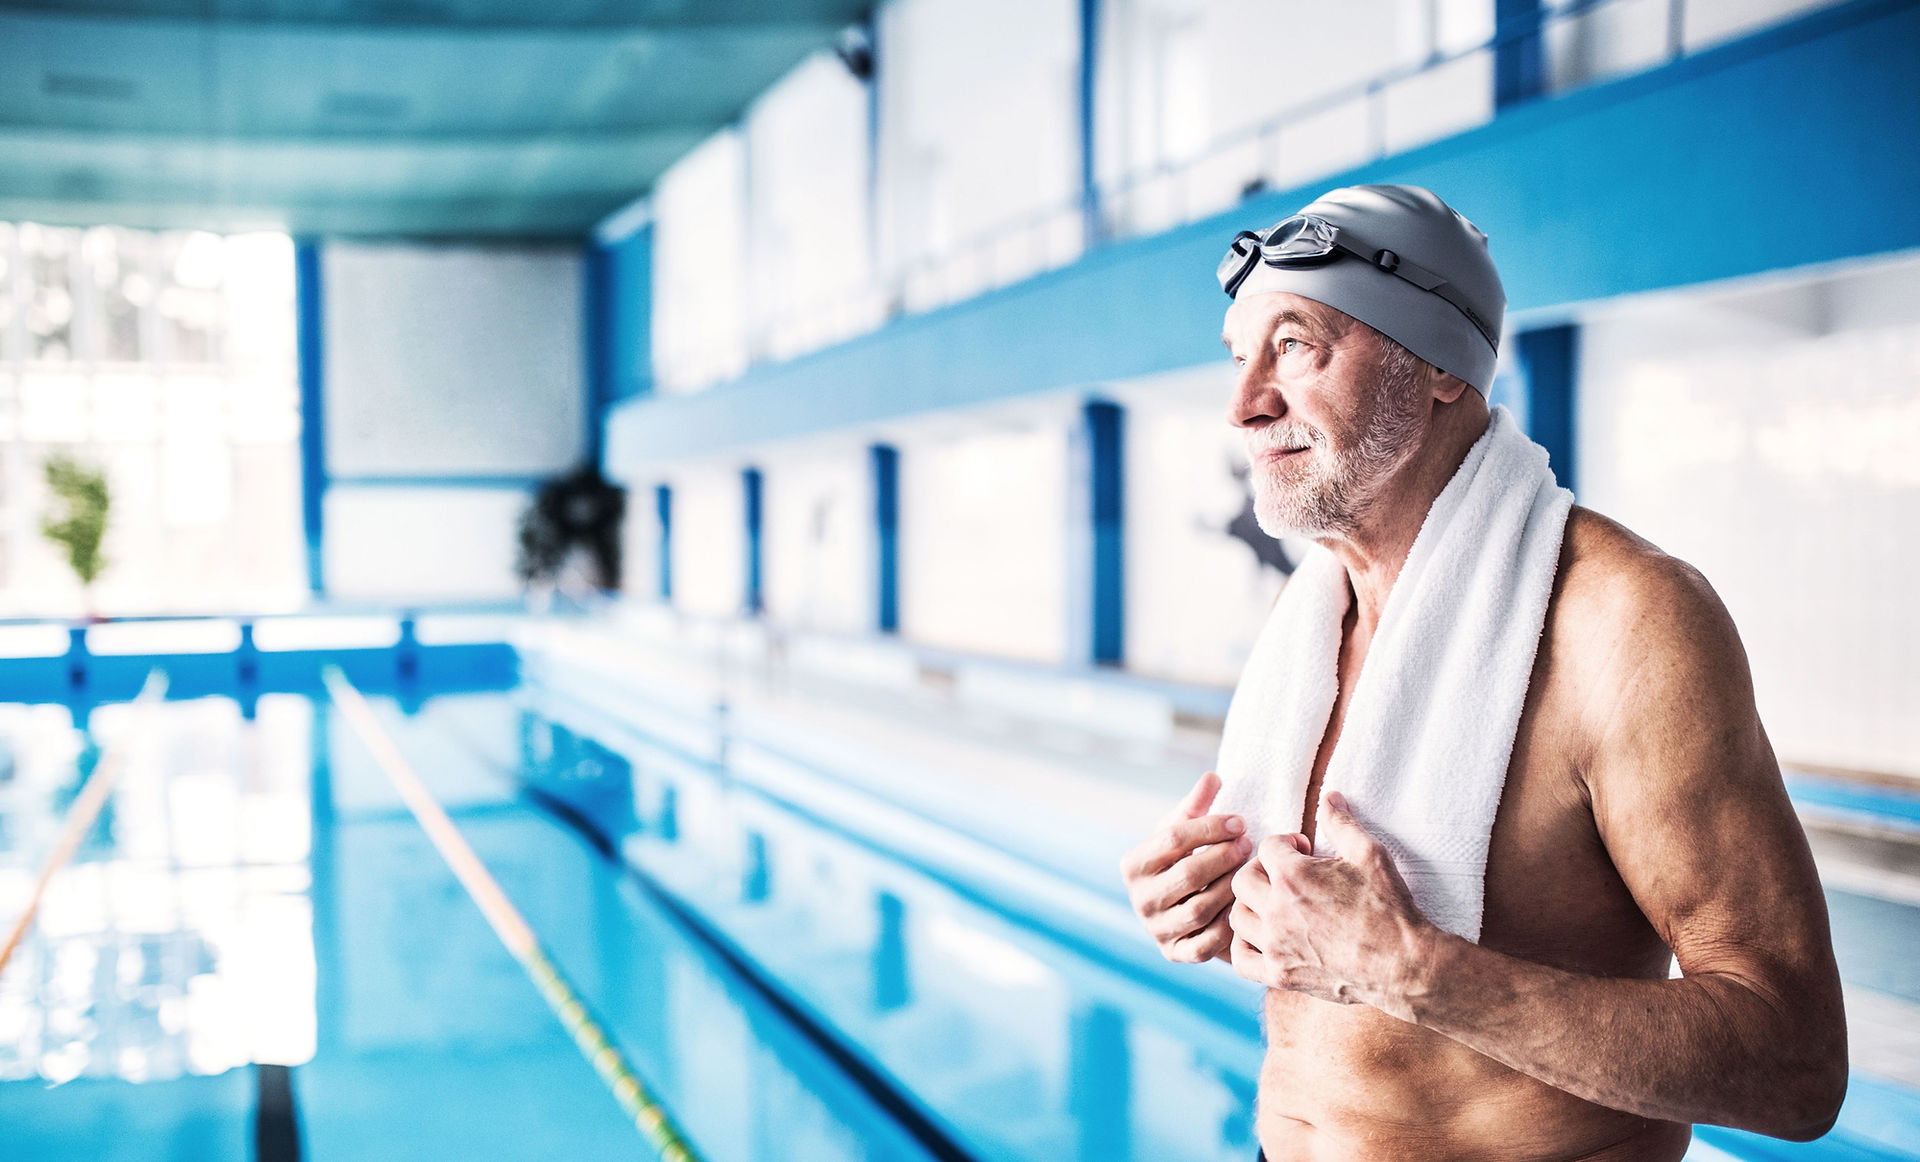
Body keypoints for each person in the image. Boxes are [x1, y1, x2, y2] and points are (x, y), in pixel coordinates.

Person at [1119, 184, 1847, 1161]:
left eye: (1294, 346)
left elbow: (1798, 1063)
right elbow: (1320, 962)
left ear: (1438, 367)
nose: (1244, 405)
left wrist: (1413, 972)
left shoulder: (1625, 625)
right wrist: (1203, 894)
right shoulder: (1317, 617)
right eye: (1238, 355)